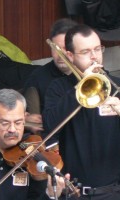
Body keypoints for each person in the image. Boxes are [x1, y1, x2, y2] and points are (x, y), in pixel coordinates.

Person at [42, 24, 120, 200]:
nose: (94, 57)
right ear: (70, 56)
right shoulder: (59, 89)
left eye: (98, 49)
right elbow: (49, 125)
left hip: (114, 191)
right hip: (76, 192)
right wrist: (80, 87)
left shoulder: (117, 86)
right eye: (85, 52)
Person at [23, 18, 77, 113]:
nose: (61, 54)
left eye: (66, 48)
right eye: (56, 48)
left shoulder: (91, 73)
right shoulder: (37, 77)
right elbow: (23, 112)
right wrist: (27, 116)